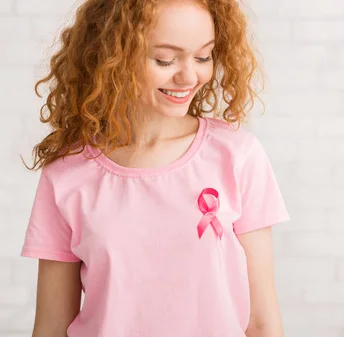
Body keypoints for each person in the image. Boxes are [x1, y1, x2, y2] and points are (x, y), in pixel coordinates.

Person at [19, 0, 290, 336]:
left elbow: (263, 322)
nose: (189, 76)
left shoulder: (237, 157)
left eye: (203, 56)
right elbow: (50, 327)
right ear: (113, 55)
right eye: (165, 59)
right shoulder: (66, 175)